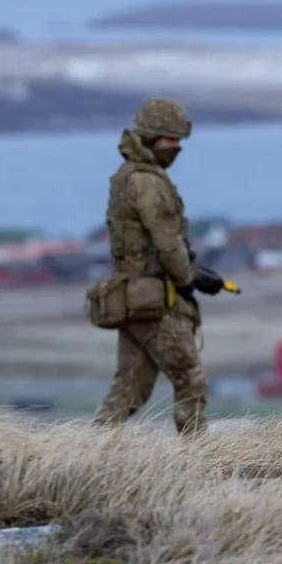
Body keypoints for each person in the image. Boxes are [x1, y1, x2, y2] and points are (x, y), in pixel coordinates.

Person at [91, 98, 224, 435]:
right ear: (150, 138)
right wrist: (189, 278)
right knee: (190, 377)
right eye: (170, 139)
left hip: (134, 298)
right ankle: (197, 459)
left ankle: (92, 453)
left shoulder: (129, 177)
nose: (176, 148)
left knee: (131, 386)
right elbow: (166, 240)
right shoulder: (148, 182)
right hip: (154, 300)